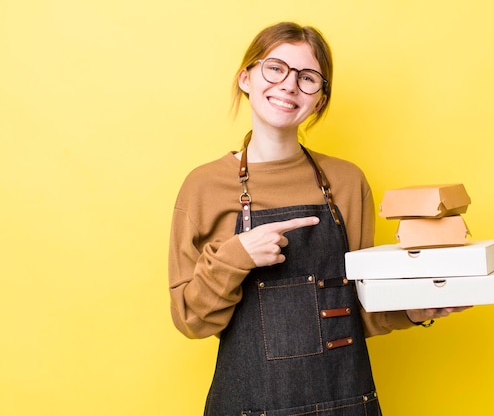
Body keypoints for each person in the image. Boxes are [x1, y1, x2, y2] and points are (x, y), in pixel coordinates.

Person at [168, 21, 470, 416]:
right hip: (248, 407)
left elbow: (357, 307)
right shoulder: (204, 186)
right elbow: (191, 319)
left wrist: (415, 311)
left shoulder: (347, 181)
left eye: (307, 77)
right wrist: (237, 254)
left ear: (320, 99)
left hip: (345, 403)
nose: (290, 85)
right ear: (246, 77)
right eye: (275, 68)